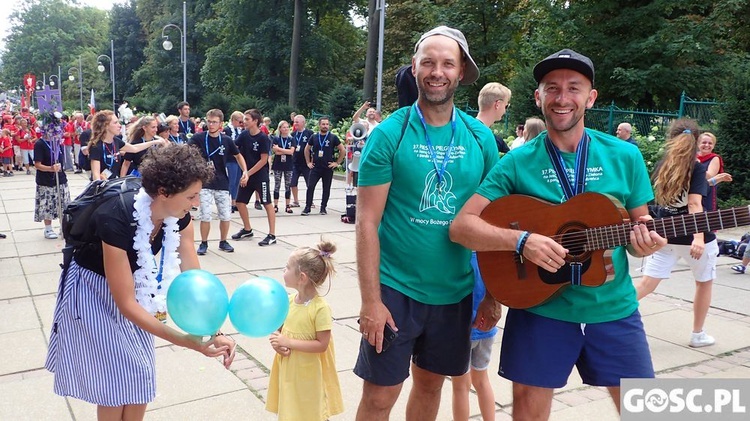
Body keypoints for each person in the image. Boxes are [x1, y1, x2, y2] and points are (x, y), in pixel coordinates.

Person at [449, 48, 665, 419]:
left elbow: (640, 232)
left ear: (591, 97)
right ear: (538, 97)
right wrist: (521, 241)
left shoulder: (624, 157)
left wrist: (645, 244)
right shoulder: (518, 161)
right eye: (551, 88)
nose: (562, 98)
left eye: (573, 88)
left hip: (612, 308)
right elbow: (461, 227)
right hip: (541, 309)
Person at [354, 26, 499, 421]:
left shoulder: (480, 138)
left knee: (431, 386)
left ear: (461, 72)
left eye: (447, 63)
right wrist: (370, 300)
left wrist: (493, 295)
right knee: (380, 397)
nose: (438, 71)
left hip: (454, 295)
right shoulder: (390, 133)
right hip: (395, 291)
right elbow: (367, 221)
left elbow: (494, 220)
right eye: (429, 62)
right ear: (415, 68)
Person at [45, 144, 236, 420]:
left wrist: (214, 330)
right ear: (163, 192)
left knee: (139, 375)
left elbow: (193, 280)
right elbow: (125, 303)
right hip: (93, 290)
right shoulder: (116, 215)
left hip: (135, 286)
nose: (195, 203)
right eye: (191, 196)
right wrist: (186, 341)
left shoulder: (179, 216)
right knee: (113, 383)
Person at [635, 119, 719, 348]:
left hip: (664, 236)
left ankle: (605, 319)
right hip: (696, 237)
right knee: (704, 283)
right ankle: (698, 334)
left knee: (646, 284)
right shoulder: (697, 167)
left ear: (671, 139)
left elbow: (650, 200)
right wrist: (699, 237)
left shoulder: (663, 164)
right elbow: (694, 204)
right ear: (695, 141)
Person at [266, 239, 344, 420]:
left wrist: (288, 342)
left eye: (287, 267)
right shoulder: (288, 301)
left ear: (301, 278)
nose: (283, 271)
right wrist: (277, 342)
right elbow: (279, 331)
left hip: (310, 375)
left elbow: (322, 345)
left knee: (311, 412)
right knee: (291, 410)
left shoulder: (320, 309)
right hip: (290, 371)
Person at [188, 109, 248, 255]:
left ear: (221, 124)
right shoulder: (199, 138)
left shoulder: (226, 140)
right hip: (205, 183)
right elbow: (186, 151)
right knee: (206, 214)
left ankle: (223, 241)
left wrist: (245, 171)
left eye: (214, 122)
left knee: (225, 215)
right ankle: (203, 243)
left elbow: (238, 156)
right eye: (209, 121)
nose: (211, 124)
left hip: (222, 182)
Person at [451, 254, 498, 421]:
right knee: (482, 380)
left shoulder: (459, 258)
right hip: (487, 330)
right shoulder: (488, 258)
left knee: (460, 386)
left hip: (463, 330)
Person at [232, 109, 277, 246]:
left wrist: (248, 173)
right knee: (240, 202)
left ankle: (272, 234)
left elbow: (263, 160)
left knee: (267, 203)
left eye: (247, 119)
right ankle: (247, 229)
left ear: (255, 121)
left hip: (259, 176)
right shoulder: (244, 135)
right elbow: (234, 149)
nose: (244, 122)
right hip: (247, 175)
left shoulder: (263, 138)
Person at [88, 111, 165, 181]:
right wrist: (100, 183)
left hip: (113, 184)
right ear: (106, 126)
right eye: (115, 123)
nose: (119, 126)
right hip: (103, 188)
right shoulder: (96, 146)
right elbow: (96, 175)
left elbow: (134, 148)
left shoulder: (116, 141)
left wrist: (155, 141)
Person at [33, 120, 71, 239]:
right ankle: (48, 229)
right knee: (47, 204)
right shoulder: (40, 144)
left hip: (60, 177)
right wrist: (50, 168)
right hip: (46, 180)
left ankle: (63, 226)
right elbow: (37, 164)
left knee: (63, 203)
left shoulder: (58, 143)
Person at [301, 116, 345, 216]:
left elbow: (342, 150)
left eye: (327, 124)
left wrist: (337, 163)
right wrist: (308, 162)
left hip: (328, 167)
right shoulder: (314, 137)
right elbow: (306, 149)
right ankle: (307, 207)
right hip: (316, 167)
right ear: (319, 125)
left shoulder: (333, 137)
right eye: (323, 124)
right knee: (310, 186)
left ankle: (323, 207)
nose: (325, 126)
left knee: (326, 188)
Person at [696, 131, 732, 213]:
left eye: (710, 143)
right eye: (704, 142)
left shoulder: (715, 158)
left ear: (713, 146)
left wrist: (696, 165)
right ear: (698, 144)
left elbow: (709, 176)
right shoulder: (692, 157)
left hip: (707, 192)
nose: (707, 145)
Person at [475, 82, 512, 154]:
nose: (505, 111)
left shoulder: (465, 130)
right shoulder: (486, 137)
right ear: (498, 104)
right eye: (506, 106)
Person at [223, 111, 245, 212]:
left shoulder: (240, 131)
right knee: (231, 181)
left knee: (237, 181)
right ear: (234, 120)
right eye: (239, 121)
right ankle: (227, 202)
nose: (241, 124)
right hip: (230, 159)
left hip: (238, 158)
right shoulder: (227, 130)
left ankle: (234, 201)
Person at [271, 120, 295, 213]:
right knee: (277, 184)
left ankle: (287, 205)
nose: (286, 129)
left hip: (288, 164)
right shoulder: (276, 139)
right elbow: (276, 152)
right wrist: (285, 150)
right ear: (280, 129)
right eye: (284, 127)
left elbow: (291, 152)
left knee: (288, 185)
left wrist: (280, 149)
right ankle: (276, 205)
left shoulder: (291, 139)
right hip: (278, 164)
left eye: (287, 127)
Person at [290, 114, 313, 208]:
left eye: (297, 122)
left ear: (303, 123)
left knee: (309, 183)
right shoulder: (292, 135)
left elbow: (314, 148)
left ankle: (310, 201)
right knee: (293, 182)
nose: (295, 124)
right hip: (295, 162)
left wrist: (311, 161)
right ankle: (296, 201)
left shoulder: (309, 133)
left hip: (306, 163)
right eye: (294, 122)